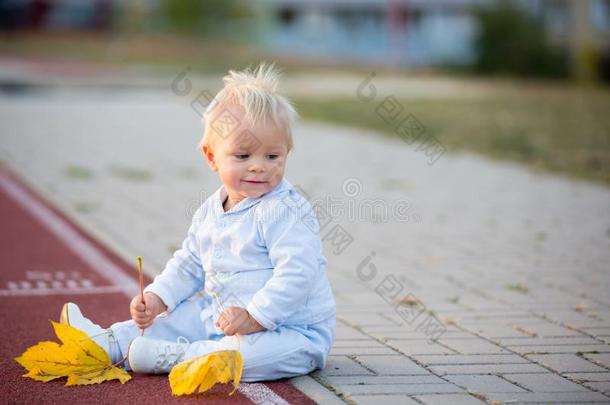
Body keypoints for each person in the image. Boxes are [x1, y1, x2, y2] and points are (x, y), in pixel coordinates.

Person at [60, 62, 336, 382]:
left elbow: (297, 274)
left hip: (293, 330)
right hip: (222, 316)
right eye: (243, 156)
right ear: (211, 157)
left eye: (273, 156)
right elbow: (190, 263)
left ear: (287, 152)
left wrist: (256, 317)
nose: (259, 167)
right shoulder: (210, 210)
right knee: (174, 320)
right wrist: (158, 297)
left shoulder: (285, 210)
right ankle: (107, 342)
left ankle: (177, 356)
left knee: (248, 356)